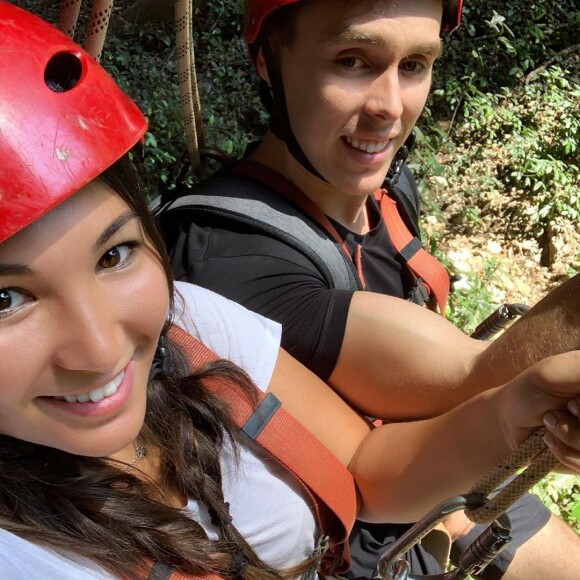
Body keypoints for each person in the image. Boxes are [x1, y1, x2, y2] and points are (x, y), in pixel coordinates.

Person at [160, 0, 580, 578]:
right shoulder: (228, 259)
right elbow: (472, 379)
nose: (389, 107)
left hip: (438, 479)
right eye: (353, 61)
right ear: (268, 60)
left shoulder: (385, 189)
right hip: (356, 540)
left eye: (414, 65)